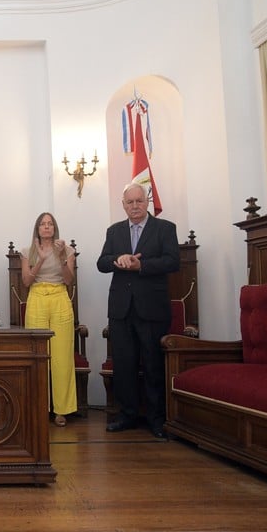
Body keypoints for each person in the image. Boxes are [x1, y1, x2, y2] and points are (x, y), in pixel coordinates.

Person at [97, 182, 179, 439]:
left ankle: (157, 420)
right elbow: (101, 263)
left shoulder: (165, 228)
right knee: (124, 365)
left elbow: (172, 261)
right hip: (121, 309)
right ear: (123, 205)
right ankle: (127, 415)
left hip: (152, 308)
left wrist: (139, 266)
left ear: (147, 202)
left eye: (139, 201)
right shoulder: (114, 231)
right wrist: (116, 260)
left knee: (154, 365)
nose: (134, 206)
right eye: (129, 202)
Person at [21, 212, 76, 427]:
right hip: (37, 299)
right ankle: (39, 406)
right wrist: (41, 259)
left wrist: (61, 257)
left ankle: (61, 410)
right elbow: (26, 281)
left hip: (60, 297)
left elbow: (69, 280)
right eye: (43, 224)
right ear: (37, 228)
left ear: (55, 228)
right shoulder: (28, 252)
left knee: (61, 356)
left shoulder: (67, 250)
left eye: (50, 224)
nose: (46, 227)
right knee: (38, 355)